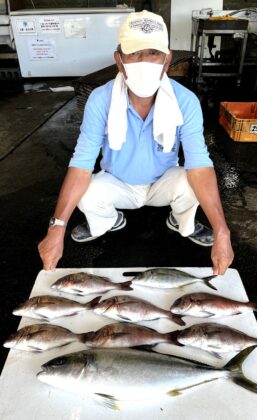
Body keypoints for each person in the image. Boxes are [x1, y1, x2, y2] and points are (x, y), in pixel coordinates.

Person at [38, 10, 234, 275]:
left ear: (167, 60)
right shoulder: (100, 99)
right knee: (85, 191)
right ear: (119, 60)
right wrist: (56, 227)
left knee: (192, 181)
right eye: (134, 53)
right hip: (118, 183)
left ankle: (181, 222)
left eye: (153, 53)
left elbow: (199, 164)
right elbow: (81, 165)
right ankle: (110, 220)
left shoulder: (184, 100)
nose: (144, 62)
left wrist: (222, 231)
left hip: (162, 183)